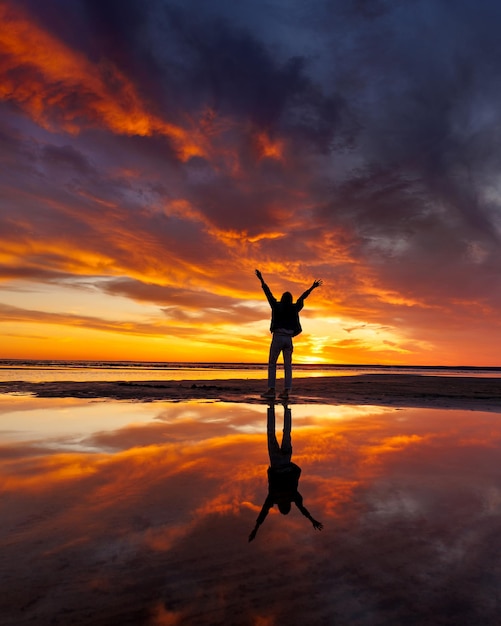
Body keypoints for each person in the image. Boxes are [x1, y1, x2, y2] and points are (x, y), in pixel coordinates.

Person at [248, 404, 323, 542]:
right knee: (271, 433)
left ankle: (287, 408)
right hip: (276, 463)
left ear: (288, 505)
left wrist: (312, 519)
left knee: (287, 434)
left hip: (287, 462)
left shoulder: (293, 497)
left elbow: (302, 509)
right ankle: (271, 408)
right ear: (282, 506)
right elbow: (263, 513)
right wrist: (255, 529)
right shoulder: (273, 498)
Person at [255, 269, 322, 399]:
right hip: (288, 339)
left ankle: (271, 390)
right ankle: (286, 391)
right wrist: (312, 288)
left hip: (278, 337)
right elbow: (302, 297)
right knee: (288, 366)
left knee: (272, 364)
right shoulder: (294, 308)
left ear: (282, 298)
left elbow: (267, 293)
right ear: (290, 300)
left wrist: (261, 279)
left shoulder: (276, 305)